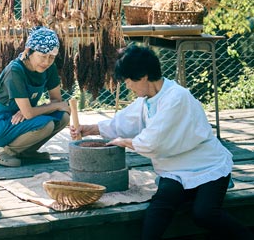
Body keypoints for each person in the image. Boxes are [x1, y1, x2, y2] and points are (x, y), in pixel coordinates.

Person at [71, 44, 252, 240]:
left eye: (128, 81)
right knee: (159, 208)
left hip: (208, 167)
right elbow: (123, 121)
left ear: (144, 76)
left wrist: (123, 141)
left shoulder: (177, 97)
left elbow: (152, 141)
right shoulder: (147, 99)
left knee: (204, 214)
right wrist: (89, 129)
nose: (128, 86)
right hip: (174, 171)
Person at [0, 26, 71, 167]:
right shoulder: (15, 70)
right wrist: (31, 111)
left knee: (63, 116)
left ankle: (26, 152)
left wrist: (31, 111)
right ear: (29, 51)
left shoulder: (49, 68)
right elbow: (31, 113)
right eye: (42, 56)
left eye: (51, 57)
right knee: (46, 124)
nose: (46, 62)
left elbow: (56, 101)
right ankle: (6, 153)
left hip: (22, 120)